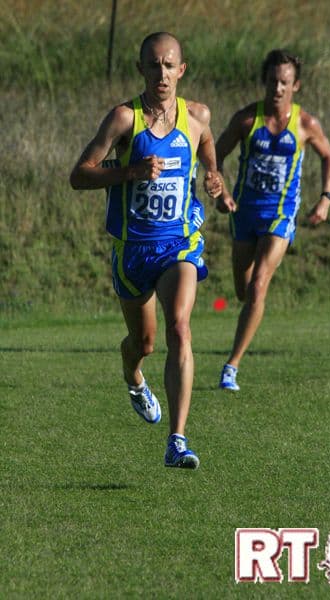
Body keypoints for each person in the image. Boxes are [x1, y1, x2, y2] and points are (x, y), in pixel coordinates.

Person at [70, 32, 222, 468]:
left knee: (180, 328)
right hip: (134, 250)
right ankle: (133, 376)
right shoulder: (123, 119)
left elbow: (206, 142)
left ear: (181, 70)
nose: (162, 73)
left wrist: (213, 174)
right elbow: (80, 175)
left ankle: (177, 440)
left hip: (179, 243)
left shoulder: (197, 115)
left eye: (169, 65)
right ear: (141, 69)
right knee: (145, 343)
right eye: (153, 65)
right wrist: (131, 171)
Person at [215, 49, 330, 391]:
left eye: (284, 82)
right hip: (244, 214)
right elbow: (213, 157)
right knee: (243, 290)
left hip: (280, 214)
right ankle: (249, 311)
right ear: (264, 81)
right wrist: (221, 193)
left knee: (258, 286)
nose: (277, 88)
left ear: (296, 85)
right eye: (272, 81)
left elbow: (328, 156)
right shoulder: (246, 120)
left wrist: (325, 198)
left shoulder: (306, 124)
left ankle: (231, 366)